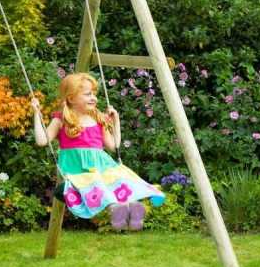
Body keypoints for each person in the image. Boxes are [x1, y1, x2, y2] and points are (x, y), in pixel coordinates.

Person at [31, 72, 165, 231]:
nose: (93, 98)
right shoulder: (61, 119)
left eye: (94, 94)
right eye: (88, 94)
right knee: (98, 189)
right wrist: (36, 115)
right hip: (78, 171)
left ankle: (132, 207)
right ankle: (116, 209)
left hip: (102, 166)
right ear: (72, 98)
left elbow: (114, 146)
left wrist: (116, 122)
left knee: (119, 182)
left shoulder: (98, 119)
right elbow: (42, 141)